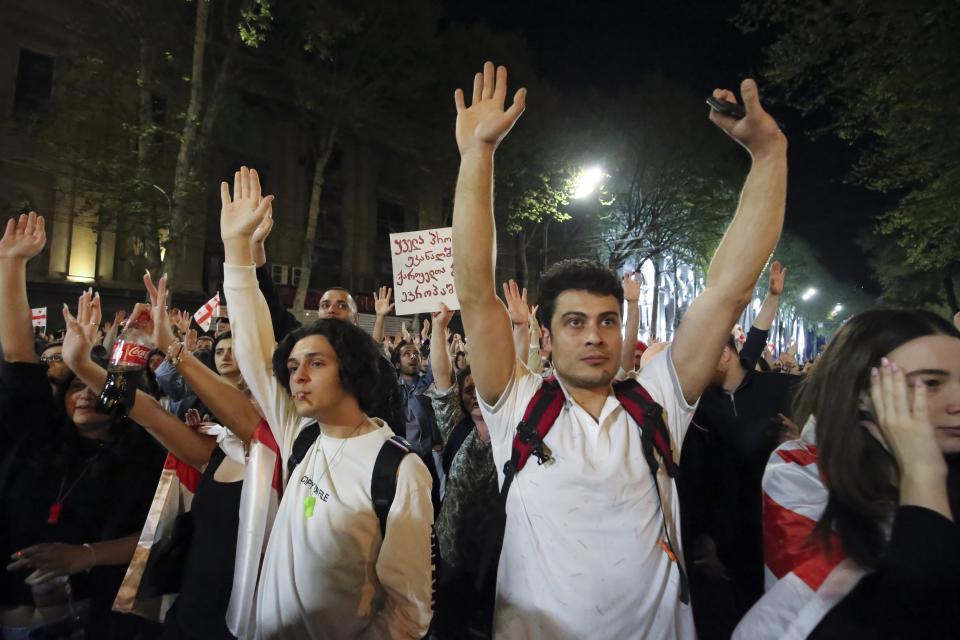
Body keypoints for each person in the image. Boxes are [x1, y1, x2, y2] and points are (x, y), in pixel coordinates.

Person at [451, 61, 786, 639]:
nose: (594, 336)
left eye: (608, 321)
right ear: (546, 336)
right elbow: (475, 290)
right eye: (575, 322)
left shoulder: (659, 400)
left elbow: (727, 290)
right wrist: (477, 155)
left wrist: (769, 155)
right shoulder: (517, 404)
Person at [220, 166, 434, 638]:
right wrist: (238, 251)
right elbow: (254, 349)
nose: (297, 375)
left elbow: (408, 612)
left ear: (351, 370)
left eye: (315, 363)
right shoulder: (301, 434)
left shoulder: (399, 471)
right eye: (293, 365)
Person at [734, 309, 960, 639]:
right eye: (930, 383)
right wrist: (923, 477)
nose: (957, 401)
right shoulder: (801, 471)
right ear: (861, 392)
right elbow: (905, 615)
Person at [0, 212, 164, 639]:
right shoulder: (38, 435)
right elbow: (20, 355)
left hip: (92, 617)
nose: (87, 393)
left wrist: (84, 555)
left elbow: (156, 534)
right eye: (75, 385)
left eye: (97, 386)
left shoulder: (146, 456)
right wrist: (13, 265)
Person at [677, 261, 800, 639]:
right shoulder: (701, 404)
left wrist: (798, 439)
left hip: (780, 522)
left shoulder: (781, 389)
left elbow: (758, 336)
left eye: (705, 352)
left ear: (727, 353)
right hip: (729, 530)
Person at [425, 303, 500, 638]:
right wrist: (439, 329)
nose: (474, 395)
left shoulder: (514, 433)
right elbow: (442, 380)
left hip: (496, 559)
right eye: (468, 389)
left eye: (481, 388)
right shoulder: (455, 427)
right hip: (450, 554)